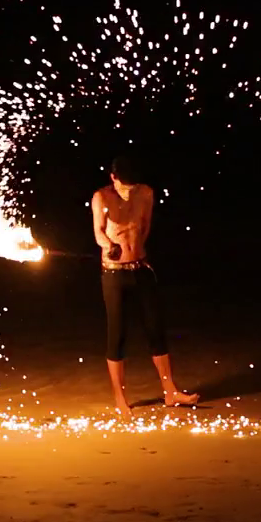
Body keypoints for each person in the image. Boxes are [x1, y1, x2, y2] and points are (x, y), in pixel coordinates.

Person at [93, 154, 199, 415]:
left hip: (141, 269)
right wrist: (110, 245)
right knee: (117, 334)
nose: (127, 192)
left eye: (132, 186)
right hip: (114, 274)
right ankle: (120, 398)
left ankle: (170, 391)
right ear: (113, 177)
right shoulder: (101, 197)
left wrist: (135, 250)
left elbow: (145, 227)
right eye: (123, 186)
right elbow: (98, 232)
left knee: (155, 329)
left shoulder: (146, 194)